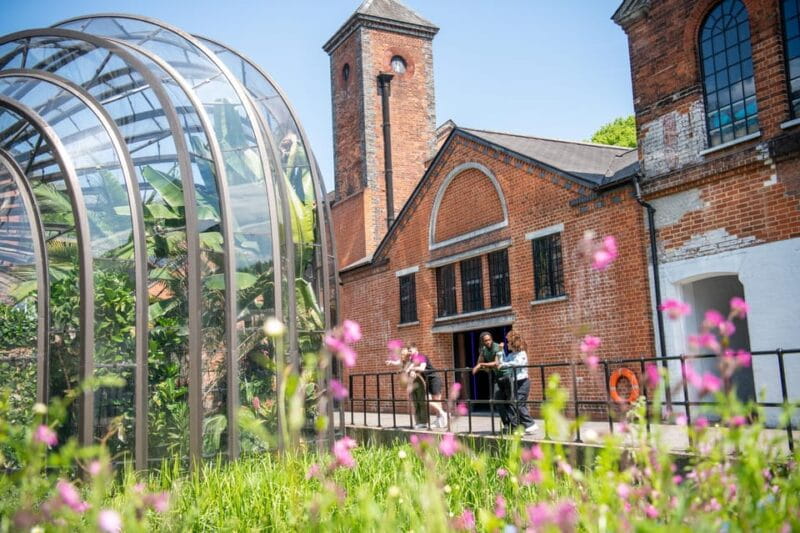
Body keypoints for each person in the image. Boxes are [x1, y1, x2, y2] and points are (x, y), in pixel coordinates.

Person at [471, 331, 516, 433]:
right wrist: (480, 364)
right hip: (497, 377)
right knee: (497, 400)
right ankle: (506, 424)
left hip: (506, 375)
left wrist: (481, 365)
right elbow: (479, 362)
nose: (488, 342)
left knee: (510, 401)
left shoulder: (496, 347)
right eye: (485, 341)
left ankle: (515, 426)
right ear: (482, 342)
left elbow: (496, 363)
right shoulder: (484, 349)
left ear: (491, 339)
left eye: (489, 339)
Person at [499, 330, 539, 434]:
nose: (507, 344)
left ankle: (530, 424)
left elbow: (518, 363)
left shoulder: (522, 354)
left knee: (519, 403)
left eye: (508, 342)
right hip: (515, 382)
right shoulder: (511, 355)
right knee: (515, 404)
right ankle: (520, 427)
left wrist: (504, 365)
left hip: (523, 382)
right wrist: (501, 351)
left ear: (513, 342)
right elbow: (503, 361)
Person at [406, 346, 448, 428]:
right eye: (409, 351)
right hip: (427, 380)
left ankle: (440, 418)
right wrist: (411, 370)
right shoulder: (412, 360)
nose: (409, 352)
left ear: (416, 349)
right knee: (427, 400)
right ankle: (442, 416)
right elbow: (408, 369)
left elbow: (422, 368)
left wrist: (413, 369)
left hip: (434, 379)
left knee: (436, 400)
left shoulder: (422, 356)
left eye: (411, 350)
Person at [386, 347, 428, 428]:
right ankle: (418, 422)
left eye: (403, 354)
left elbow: (415, 367)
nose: (401, 355)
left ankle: (423, 422)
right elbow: (398, 363)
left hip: (418, 382)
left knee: (421, 402)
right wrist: (391, 362)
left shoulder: (412, 360)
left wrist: (412, 371)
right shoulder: (403, 361)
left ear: (407, 355)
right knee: (415, 403)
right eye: (401, 354)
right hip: (411, 383)